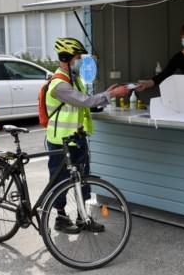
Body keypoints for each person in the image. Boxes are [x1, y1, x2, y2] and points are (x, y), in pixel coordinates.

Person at [46, 37, 128, 234]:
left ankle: (83, 218)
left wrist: (106, 93)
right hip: (61, 141)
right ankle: (61, 217)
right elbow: (85, 101)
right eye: (77, 57)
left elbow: (87, 102)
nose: (80, 61)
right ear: (66, 58)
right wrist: (113, 94)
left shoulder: (74, 80)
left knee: (83, 179)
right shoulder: (59, 84)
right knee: (61, 181)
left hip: (77, 139)